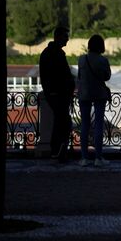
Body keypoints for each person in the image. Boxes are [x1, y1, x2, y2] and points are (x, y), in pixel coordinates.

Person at [39, 26, 74, 162]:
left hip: (54, 94)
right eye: (66, 37)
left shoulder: (48, 53)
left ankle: (57, 151)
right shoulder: (56, 54)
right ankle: (58, 151)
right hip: (58, 94)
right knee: (63, 123)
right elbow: (62, 75)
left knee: (61, 122)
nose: (67, 40)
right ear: (58, 37)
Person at [77, 34, 112, 167]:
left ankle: (84, 158)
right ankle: (98, 158)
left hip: (84, 94)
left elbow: (80, 77)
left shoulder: (81, 59)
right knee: (98, 125)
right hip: (99, 94)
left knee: (84, 126)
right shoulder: (103, 60)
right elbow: (107, 77)